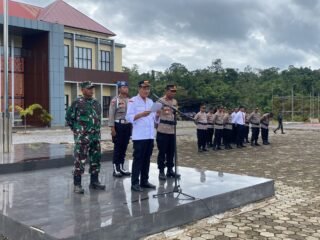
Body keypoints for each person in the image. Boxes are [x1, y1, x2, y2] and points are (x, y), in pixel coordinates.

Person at [66, 81, 105, 194]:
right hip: (83, 138)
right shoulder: (77, 102)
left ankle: (94, 182)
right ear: (82, 90)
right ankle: (77, 185)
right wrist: (77, 130)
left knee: (96, 160)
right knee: (80, 161)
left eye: (92, 88)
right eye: (88, 88)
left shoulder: (96, 103)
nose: (91, 90)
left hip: (95, 137)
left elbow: (98, 118)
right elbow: (68, 117)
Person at [125, 80, 158, 192]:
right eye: (144, 88)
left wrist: (158, 115)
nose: (146, 90)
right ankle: (135, 183)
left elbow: (154, 118)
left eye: (148, 88)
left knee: (147, 159)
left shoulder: (150, 101)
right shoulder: (132, 101)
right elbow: (128, 117)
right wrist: (141, 114)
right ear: (139, 89)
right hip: (139, 137)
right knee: (138, 159)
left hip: (149, 135)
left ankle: (144, 181)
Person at [156, 84, 181, 181]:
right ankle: (161, 171)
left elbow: (175, 114)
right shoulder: (160, 101)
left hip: (172, 130)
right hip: (162, 130)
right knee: (162, 152)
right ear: (166, 91)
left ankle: (170, 170)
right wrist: (155, 126)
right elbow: (154, 113)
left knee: (171, 152)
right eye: (171, 91)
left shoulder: (175, 101)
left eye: (175, 91)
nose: (173, 93)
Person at [108, 80, 132, 177]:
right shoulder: (115, 100)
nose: (125, 89)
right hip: (118, 126)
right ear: (119, 89)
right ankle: (115, 169)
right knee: (117, 148)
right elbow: (111, 115)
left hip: (127, 126)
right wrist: (112, 128)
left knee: (124, 147)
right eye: (123, 87)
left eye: (126, 87)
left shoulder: (130, 100)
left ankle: (121, 167)